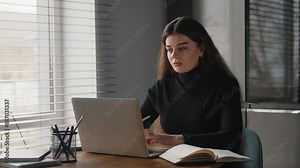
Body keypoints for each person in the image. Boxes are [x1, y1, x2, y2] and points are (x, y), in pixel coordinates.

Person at [141, 16, 243, 153]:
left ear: (202, 49)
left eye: (182, 48)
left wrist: (178, 139)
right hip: (174, 162)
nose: (174, 55)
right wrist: (140, 133)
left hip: (215, 163)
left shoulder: (226, 86)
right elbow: (134, 127)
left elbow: (231, 139)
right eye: (169, 49)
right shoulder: (161, 88)